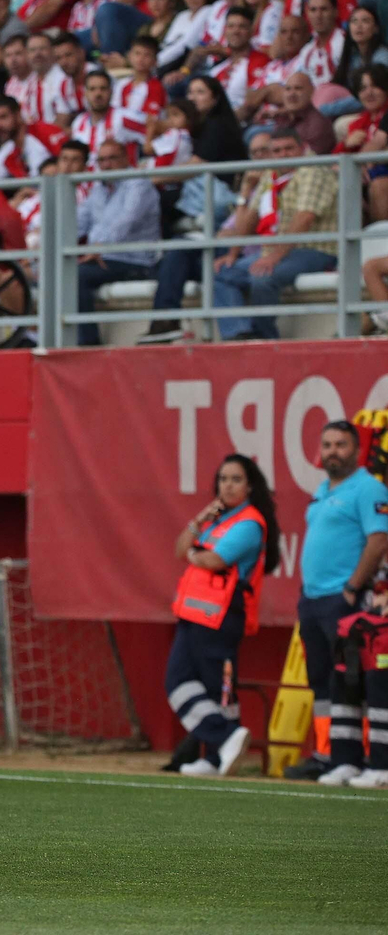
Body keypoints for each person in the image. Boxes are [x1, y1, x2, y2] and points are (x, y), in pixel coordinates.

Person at [284, 422, 388, 782]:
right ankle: (327, 754)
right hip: (313, 600)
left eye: (340, 444)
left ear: (356, 449)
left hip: (343, 600)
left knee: (350, 679)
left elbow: (378, 540)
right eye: (326, 444)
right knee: (321, 680)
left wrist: (352, 587)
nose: (332, 451)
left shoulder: (368, 488)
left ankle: (356, 757)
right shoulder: (323, 490)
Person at [162, 454, 278, 777]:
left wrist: (194, 554)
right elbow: (180, 549)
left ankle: (220, 748)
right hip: (194, 612)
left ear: (250, 486)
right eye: (223, 479)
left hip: (222, 615)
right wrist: (197, 521)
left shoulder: (250, 523)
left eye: (236, 479)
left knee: (218, 688)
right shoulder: (216, 521)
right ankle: (220, 745)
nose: (227, 485)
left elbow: (214, 561)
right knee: (178, 681)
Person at [211, 129, 339, 341]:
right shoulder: (272, 173)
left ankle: (265, 338)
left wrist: (273, 257)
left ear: (302, 147)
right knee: (223, 272)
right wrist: (233, 253)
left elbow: (304, 218)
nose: (283, 155)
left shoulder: (313, 169)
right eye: (277, 150)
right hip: (281, 249)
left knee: (263, 276)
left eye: (289, 148)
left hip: (317, 248)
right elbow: (252, 216)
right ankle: (239, 334)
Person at [73, 140, 162, 345]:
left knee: (76, 276)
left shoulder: (138, 183)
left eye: (112, 158)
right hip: (103, 258)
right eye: (101, 160)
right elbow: (77, 222)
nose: (106, 165)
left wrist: (100, 247)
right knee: (57, 271)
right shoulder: (99, 188)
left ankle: (88, 345)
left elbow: (126, 221)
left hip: (136, 261)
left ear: (126, 158)